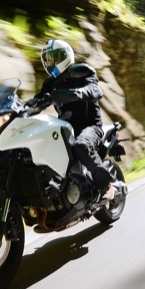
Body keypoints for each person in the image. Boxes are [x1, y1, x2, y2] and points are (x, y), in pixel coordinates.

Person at [26, 39, 115, 201]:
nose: (51, 62)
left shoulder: (83, 71)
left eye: (54, 58)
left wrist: (77, 93)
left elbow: (96, 90)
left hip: (90, 126)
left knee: (81, 145)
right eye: (48, 59)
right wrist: (21, 108)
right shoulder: (50, 83)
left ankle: (106, 185)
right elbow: (38, 100)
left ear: (66, 55)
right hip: (67, 128)